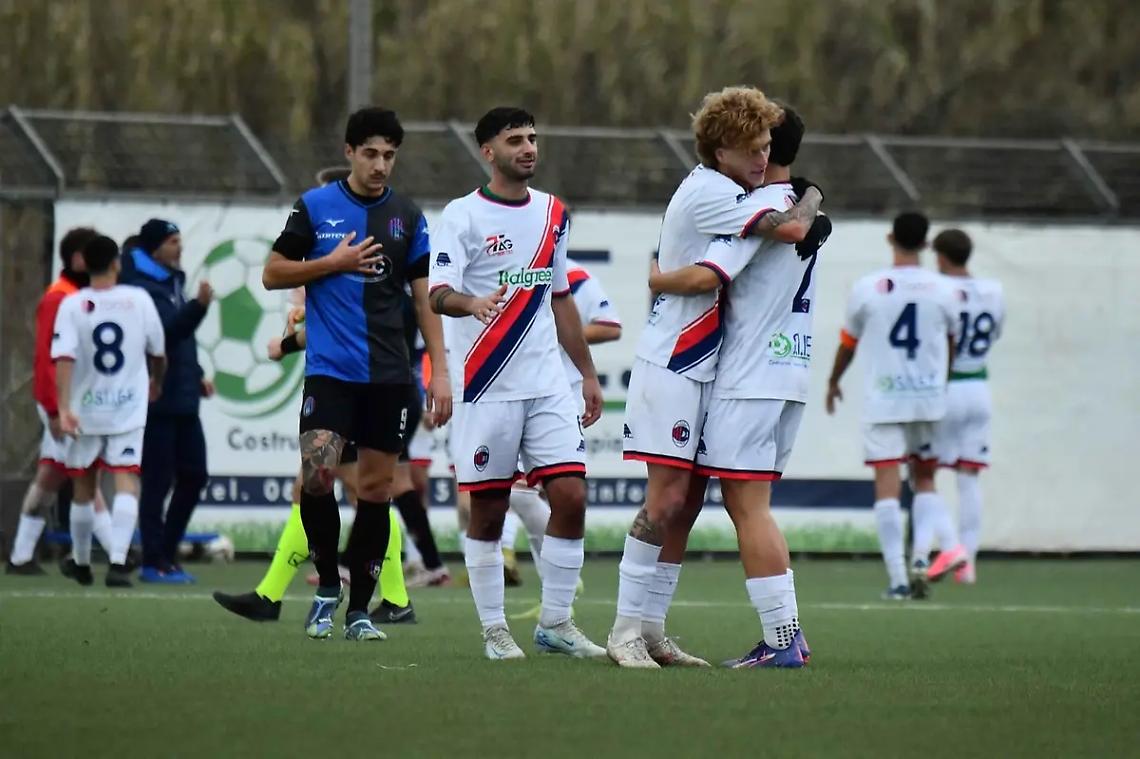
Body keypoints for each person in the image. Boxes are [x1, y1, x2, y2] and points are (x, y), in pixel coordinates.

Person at [609, 88, 824, 668]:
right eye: (750, 147)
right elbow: (727, 265)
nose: (759, 157)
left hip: (732, 372)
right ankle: (631, 630)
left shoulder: (761, 199)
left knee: (712, 502)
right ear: (721, 149)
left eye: (765, 147)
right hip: (683, 363)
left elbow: (713, 272)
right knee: (674, 500)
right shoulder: (724, 195)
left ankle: (668, 630)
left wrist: (658, 278)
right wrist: (814, 196)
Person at [262, 106, 451, 642]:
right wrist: (332, 264)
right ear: (349, 152)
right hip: (331, 373)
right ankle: (328, 584)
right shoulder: (315, 207)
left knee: (375, 490)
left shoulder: (407, 217)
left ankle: (361, 611)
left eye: (389, 155)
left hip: (390, 378)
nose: (380, 165)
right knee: (317, 476)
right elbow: (272, 273)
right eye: (370, 153)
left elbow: (425, 300)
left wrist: (440, 373)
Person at [429, 106, 605, 660]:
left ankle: (556, 622)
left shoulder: (553, 212)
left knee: (571, 497)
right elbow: (437, 294)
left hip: (547, 384)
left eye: (532, 138)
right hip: (486, 386)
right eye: (515, 140)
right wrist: (470, 303)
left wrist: (586, 373)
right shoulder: (462, 216)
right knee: (488, 511)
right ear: (488, 152)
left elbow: (560, 298)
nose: (528, 148)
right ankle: (494, 630)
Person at [212, 304, 419, 625]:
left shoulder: (373, 287)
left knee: (364, 491)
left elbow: (346, 327)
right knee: (316, 487)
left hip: (365, 390)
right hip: (367, 387)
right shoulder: (378, 286)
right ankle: (271, 595)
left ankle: (394, 598)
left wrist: (286, 343)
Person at [825, 212, 966, 600]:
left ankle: (899, 580)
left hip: (885, 398)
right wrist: (942, 383)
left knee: (887, 487)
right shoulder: (944, 289)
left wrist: (834, 380)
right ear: (926, 244)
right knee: (925, 479)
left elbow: (848, 343)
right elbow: (952, 343)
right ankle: (921, 558)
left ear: (890, 238)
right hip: (928, 398)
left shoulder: (868, 288)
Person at [52, 236, 166, 587]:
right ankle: (118, 562)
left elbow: (64, 357)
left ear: (84, 264)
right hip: (127, 407)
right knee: (126, 479)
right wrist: (156, 381)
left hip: (84, 409)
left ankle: (82, 563)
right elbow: (158, 352)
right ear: (117, 263)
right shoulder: (138, 299)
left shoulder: (73, 304)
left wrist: (63, 407)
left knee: (83, 485)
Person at [7, 228, 117, 575]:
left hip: (69, 402)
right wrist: (56, 410)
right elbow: (47, 359)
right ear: (78, 259)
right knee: (85, 473)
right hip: (61, 404)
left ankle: (20, 556)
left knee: (52, 475)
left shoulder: (77, 295)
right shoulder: (60, 297)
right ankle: (118, 553)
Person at [121, 218, 214, 583]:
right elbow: (164, 335)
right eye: (173, 241)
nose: (180, 247)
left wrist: (196, 373)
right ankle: (152, 560)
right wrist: (199, 306)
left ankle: (166, 553)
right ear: (155, 247)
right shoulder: (141, 288)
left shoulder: (171, 281)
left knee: (194, 475)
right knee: (157, 482)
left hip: (184, 396)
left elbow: (181, 341)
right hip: (157, 399)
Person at [931, 229, 1004, 584]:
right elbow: (995, 333)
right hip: (978, 386)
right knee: (969, 477)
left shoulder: (938, 288)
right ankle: (968, 564)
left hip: (945, 387)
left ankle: (950, 546)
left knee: (923, 474)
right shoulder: (993, 290)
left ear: (941, 256)